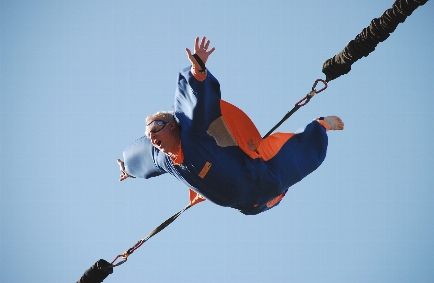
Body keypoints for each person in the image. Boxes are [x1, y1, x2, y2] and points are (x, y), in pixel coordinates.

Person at [117, 37, 344, 215]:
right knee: (262, 201)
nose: (152, 136)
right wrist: (128, 168)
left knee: (303, 155)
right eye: (149, 134)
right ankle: (272, 197)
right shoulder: (164, 158)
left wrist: (197, 72)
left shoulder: (192, 132)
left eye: (156, 127)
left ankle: (320, 125)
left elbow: (193, 103)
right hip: (250, 205)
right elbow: (141, 158)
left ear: (172, 125)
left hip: (261, 175)